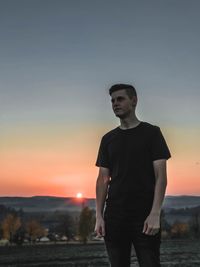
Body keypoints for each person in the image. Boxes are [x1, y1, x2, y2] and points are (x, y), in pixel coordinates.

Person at [94, 83, 171, 267]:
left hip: (144, 216)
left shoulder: (152, 133)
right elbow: (103, 179)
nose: (115, 103)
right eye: (112, 100)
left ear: (134, 101)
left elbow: (161, 176)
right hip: (114, 216)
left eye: (120, 99)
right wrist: (98, 215)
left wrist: (155, 213)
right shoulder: (108, 139)